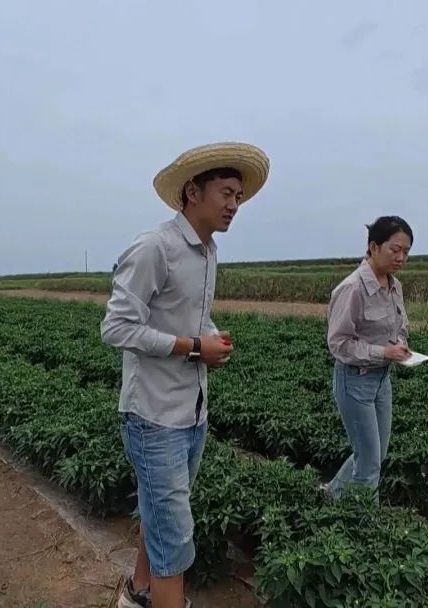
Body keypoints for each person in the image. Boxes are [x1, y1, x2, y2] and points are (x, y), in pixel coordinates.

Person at [101, 141, 270, 608]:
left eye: (239, 196)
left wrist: (209, 337)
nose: (234, 205)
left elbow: (193, 318)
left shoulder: (208, 251)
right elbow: (116, 328)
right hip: (154, 417)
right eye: (226, 193)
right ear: (192, 192)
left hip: (192, 413)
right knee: (174, 538)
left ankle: (138, 592)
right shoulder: (155, 248)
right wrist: (195, 347)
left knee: (160, 517)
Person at [323, 216, 414, 503]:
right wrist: (383, 352)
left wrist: (400, 344)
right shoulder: (353, 288)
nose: (401, 258)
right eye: (395, 250)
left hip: (381, 380)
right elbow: (339, 343)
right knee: (369, 462)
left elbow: (400, 326)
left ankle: (332, 495)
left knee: (376, 453)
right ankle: (363, 521)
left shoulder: (394, 286)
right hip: (355, 381)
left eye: (406, 252)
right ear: (374, 247)